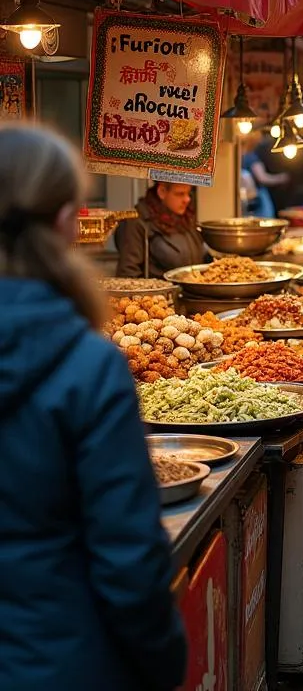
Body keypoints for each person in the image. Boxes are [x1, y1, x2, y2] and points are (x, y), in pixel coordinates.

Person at [0, 124, 187, 691]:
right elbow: (128, 552)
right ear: (66, 221)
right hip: (60, 657)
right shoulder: (88, 365)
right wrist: (163, 662)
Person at [115, 181, 206, 278]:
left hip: (190, 290)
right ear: (162, 192)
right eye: (180, 194)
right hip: (159, 291)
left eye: (189, 193)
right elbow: (128, 273)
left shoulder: (187, 218)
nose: (187, 199)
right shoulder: (136, 222)